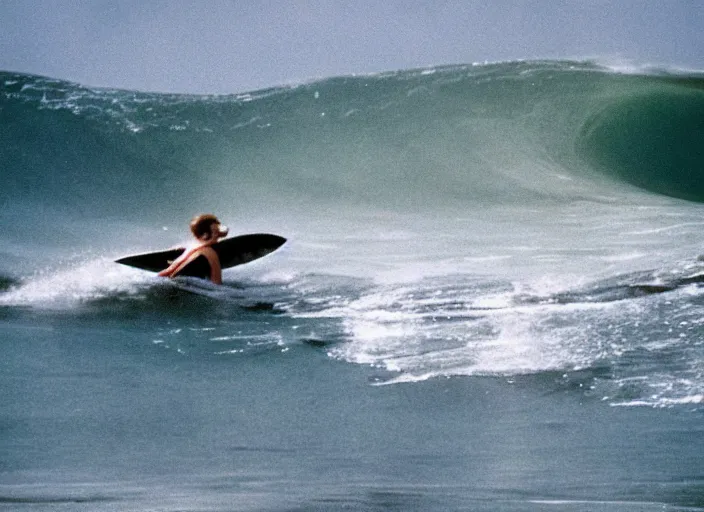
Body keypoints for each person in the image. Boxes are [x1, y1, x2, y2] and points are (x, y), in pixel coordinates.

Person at [158, 214, 229, 284]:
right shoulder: (210, 253)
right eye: (216, 233)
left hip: (169, 282)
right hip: (181, 287)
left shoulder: (191, 248)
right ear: (205, 235)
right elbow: (217, 284)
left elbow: (165, 272)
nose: (218, 236)